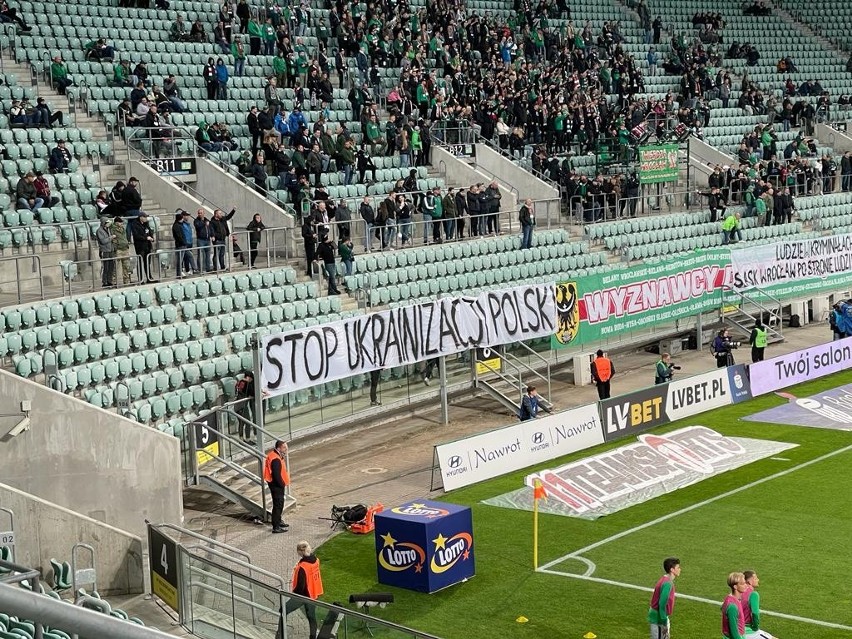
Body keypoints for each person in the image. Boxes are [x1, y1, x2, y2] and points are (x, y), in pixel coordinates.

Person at [281, 541, 323, 639]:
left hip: (302, 596)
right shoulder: (316, 560)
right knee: (312, 617)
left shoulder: (303, 567)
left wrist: (294, 597)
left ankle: (280, 635)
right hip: (313, 595)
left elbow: (301, 586)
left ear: (300, 552)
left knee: (283, 610)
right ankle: (313, 637)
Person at [648, 557, 680, 639]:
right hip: (659, 619)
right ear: (672, 570)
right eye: (678, 567)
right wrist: (664, 622)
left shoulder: (665, 579)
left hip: (658, 616)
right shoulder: (667, 584)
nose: (680, 569)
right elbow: (662, 604)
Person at [263, 440, 290, 533]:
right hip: (276, 485)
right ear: (279, 448)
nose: (286, 449)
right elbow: (276, 475)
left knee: (278, 504)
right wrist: (282, 484)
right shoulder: (275, 459)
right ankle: (276, 526)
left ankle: (278, 521)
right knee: (278, 505)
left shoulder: (274, 455)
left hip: (275, 484)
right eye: (284, 448)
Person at [741, 571, 776, 639]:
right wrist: (755, 627)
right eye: (755, 578)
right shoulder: (753, 594)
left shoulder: (737, 593)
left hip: (736, 630)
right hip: (748, 631)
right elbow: (755, 613)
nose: (758, 580)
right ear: (749, 581)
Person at [130, 213, 156, 283]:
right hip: (140, 246)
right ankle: (141, 279)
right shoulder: (135, 224)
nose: (146, 219)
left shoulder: (146, 224)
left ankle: (149, 277)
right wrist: (146, 238)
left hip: (147, 246)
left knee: (147, 263)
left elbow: (149, 232)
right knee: (140, 263)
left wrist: (152, 238)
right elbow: (136, 236)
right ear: (141, 217)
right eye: (144, 217)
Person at [722, 572, 748, 639]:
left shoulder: (729, 598)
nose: (746, 585)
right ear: (735, 587)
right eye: (742, 584)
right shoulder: (732, 606)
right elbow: (734, 633)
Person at [95, 217, 116, 288]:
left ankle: (110, 281)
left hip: (111, 250)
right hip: (105, 251)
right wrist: (111, 238)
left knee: (111, 267)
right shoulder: (99, 231)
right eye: (107, 223)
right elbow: (103, 241)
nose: (108, 224)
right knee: (106, 267)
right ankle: (104, 282)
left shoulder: (109, 229)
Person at [112, 218, 132, 286]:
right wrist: (116, 245)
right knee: (115, 267)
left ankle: (126, 280)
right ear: (116, 223)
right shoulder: (112, 229)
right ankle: (114, 281)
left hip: (125, 249)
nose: (121, 224)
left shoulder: (123, 229)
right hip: (118, 250)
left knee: (126, 266)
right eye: (120, 222)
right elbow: (112, 239)